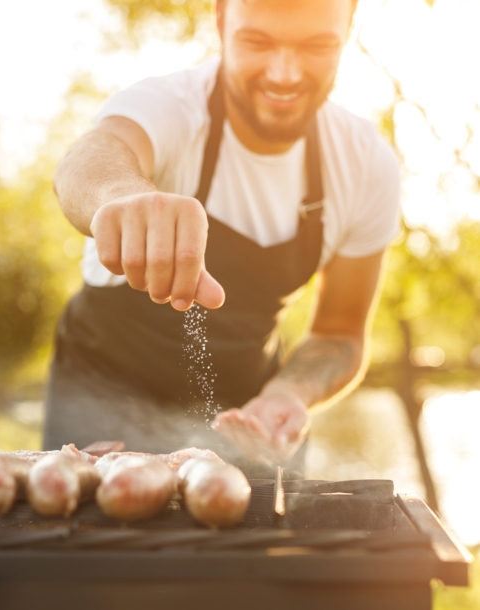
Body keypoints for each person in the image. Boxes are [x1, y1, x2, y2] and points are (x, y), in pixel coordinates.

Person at [43, 0, 400, 477]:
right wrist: (122, 196)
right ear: (220, 21)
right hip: (102, 399)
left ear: (349, 29)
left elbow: (340, 334)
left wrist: (290, 393)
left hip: (249, 417)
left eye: (316, 46)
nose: (284, 73)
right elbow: (88, 160)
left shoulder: (365, 164)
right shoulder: (171, 105)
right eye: (257, 41)